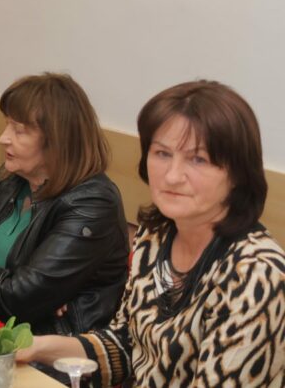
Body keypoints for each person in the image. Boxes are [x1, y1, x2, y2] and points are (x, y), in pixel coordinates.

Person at [20, 81, 285, 386]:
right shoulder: (155, 236)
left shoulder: (257, 274)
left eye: (198, 159)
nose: (172, 176)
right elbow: (126, 346)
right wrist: (37, 348)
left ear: (237, 173)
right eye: (162, 153)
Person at [0, 73, 129, 336]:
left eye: (19, 130)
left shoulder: (92, 203)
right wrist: (2, 276)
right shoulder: (10, 178)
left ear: (57, 140)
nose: (3, 138)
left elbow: (19, 299)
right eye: (7, 125)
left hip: (55, 345)